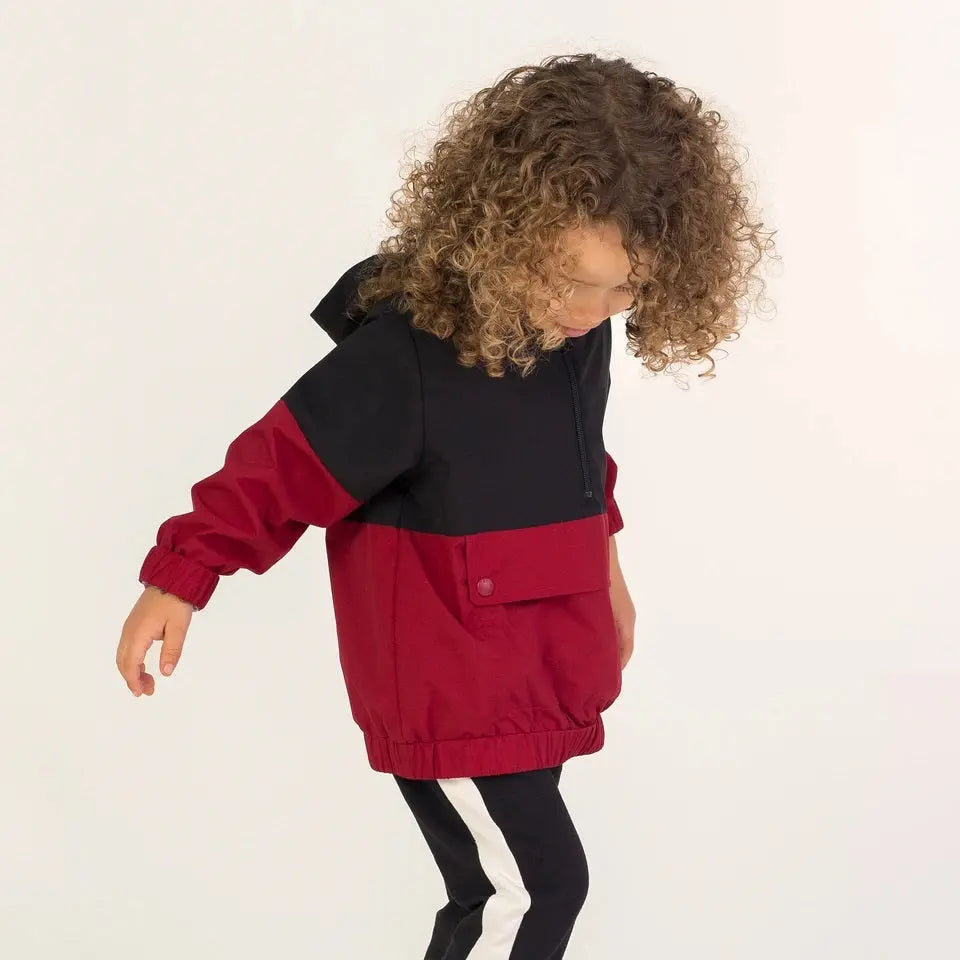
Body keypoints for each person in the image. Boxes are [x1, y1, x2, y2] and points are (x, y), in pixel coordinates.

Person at [115, 53, 775, 960]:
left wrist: (609, 573)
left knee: (503, 890)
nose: (593, 309)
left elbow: (583, 465)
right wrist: (182, 575)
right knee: (532, 889)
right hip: (450, 674)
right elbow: (280, 465)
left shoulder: (578, 339)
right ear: (507, 229)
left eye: (626, 288)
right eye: (571, 278)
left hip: (539, 653)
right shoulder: (409, 356)